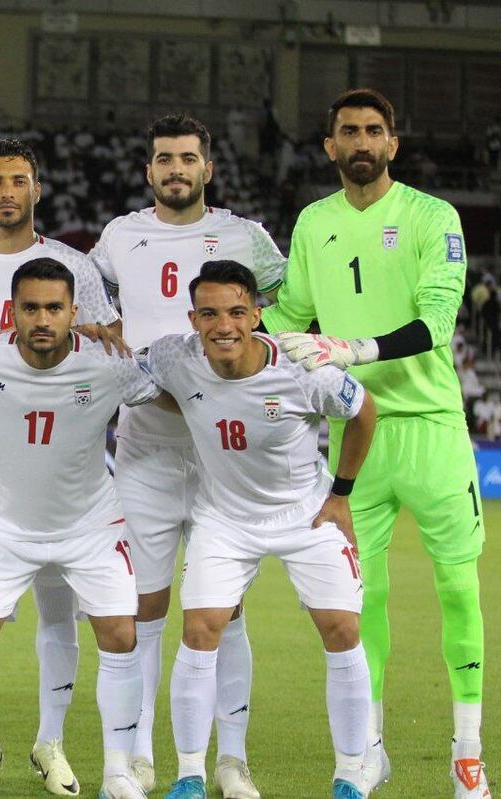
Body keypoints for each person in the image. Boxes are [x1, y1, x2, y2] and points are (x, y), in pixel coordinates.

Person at [262, 88, 489, 798]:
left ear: (393, 143)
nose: (361, 141)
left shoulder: (432, 216)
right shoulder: (314, 222)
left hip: (431, 427)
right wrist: (224, 327)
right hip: (354, 434)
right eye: (348, 131)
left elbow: (437, 323)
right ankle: (370, 749)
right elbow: (290, 313)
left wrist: (351, 347)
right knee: (363, 596)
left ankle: (468, 753)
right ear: (329, 146)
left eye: (373, 130)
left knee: (459, 586)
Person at [88, 114, 287, 796]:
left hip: (223, 457)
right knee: (142, 609)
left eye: (188, 158)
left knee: (225, 612)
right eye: (165, 158)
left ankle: (231, 760)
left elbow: (285, 314)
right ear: (149, 170)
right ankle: (140, 756)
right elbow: (90, 309)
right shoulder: (118, 237)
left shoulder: (246, 237)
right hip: (143, 447)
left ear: (208, 167)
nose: (176, 168)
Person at [0, 137, 120, 795]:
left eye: (19, 180)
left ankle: (50, 740)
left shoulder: (74, 267)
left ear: (38, 189)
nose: (7, 192)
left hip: (61, 469)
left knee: (58, 608)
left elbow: (106, 350)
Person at [142, 260, 377, 799]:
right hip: (224, 519)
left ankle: (350, 774)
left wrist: (341, 494)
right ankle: (189, 775)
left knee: (341, 630)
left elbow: (364, 411)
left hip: (306, 514)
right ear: (193, 319)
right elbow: (130, 373)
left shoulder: (302, 368)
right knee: (200, 630)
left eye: (236, 312)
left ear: (255, 315)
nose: (223, 326)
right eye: (209, 314)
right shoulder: (175, 357)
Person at [0, 258, 164, 799]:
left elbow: (165, 390)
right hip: (4, 522)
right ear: (12, 311)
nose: (42, 319)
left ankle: (118, 774)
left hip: (90, 523)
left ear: (74, 311)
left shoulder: (109, 363)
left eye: (54, 308)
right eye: (30, 308)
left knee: (121, 635)